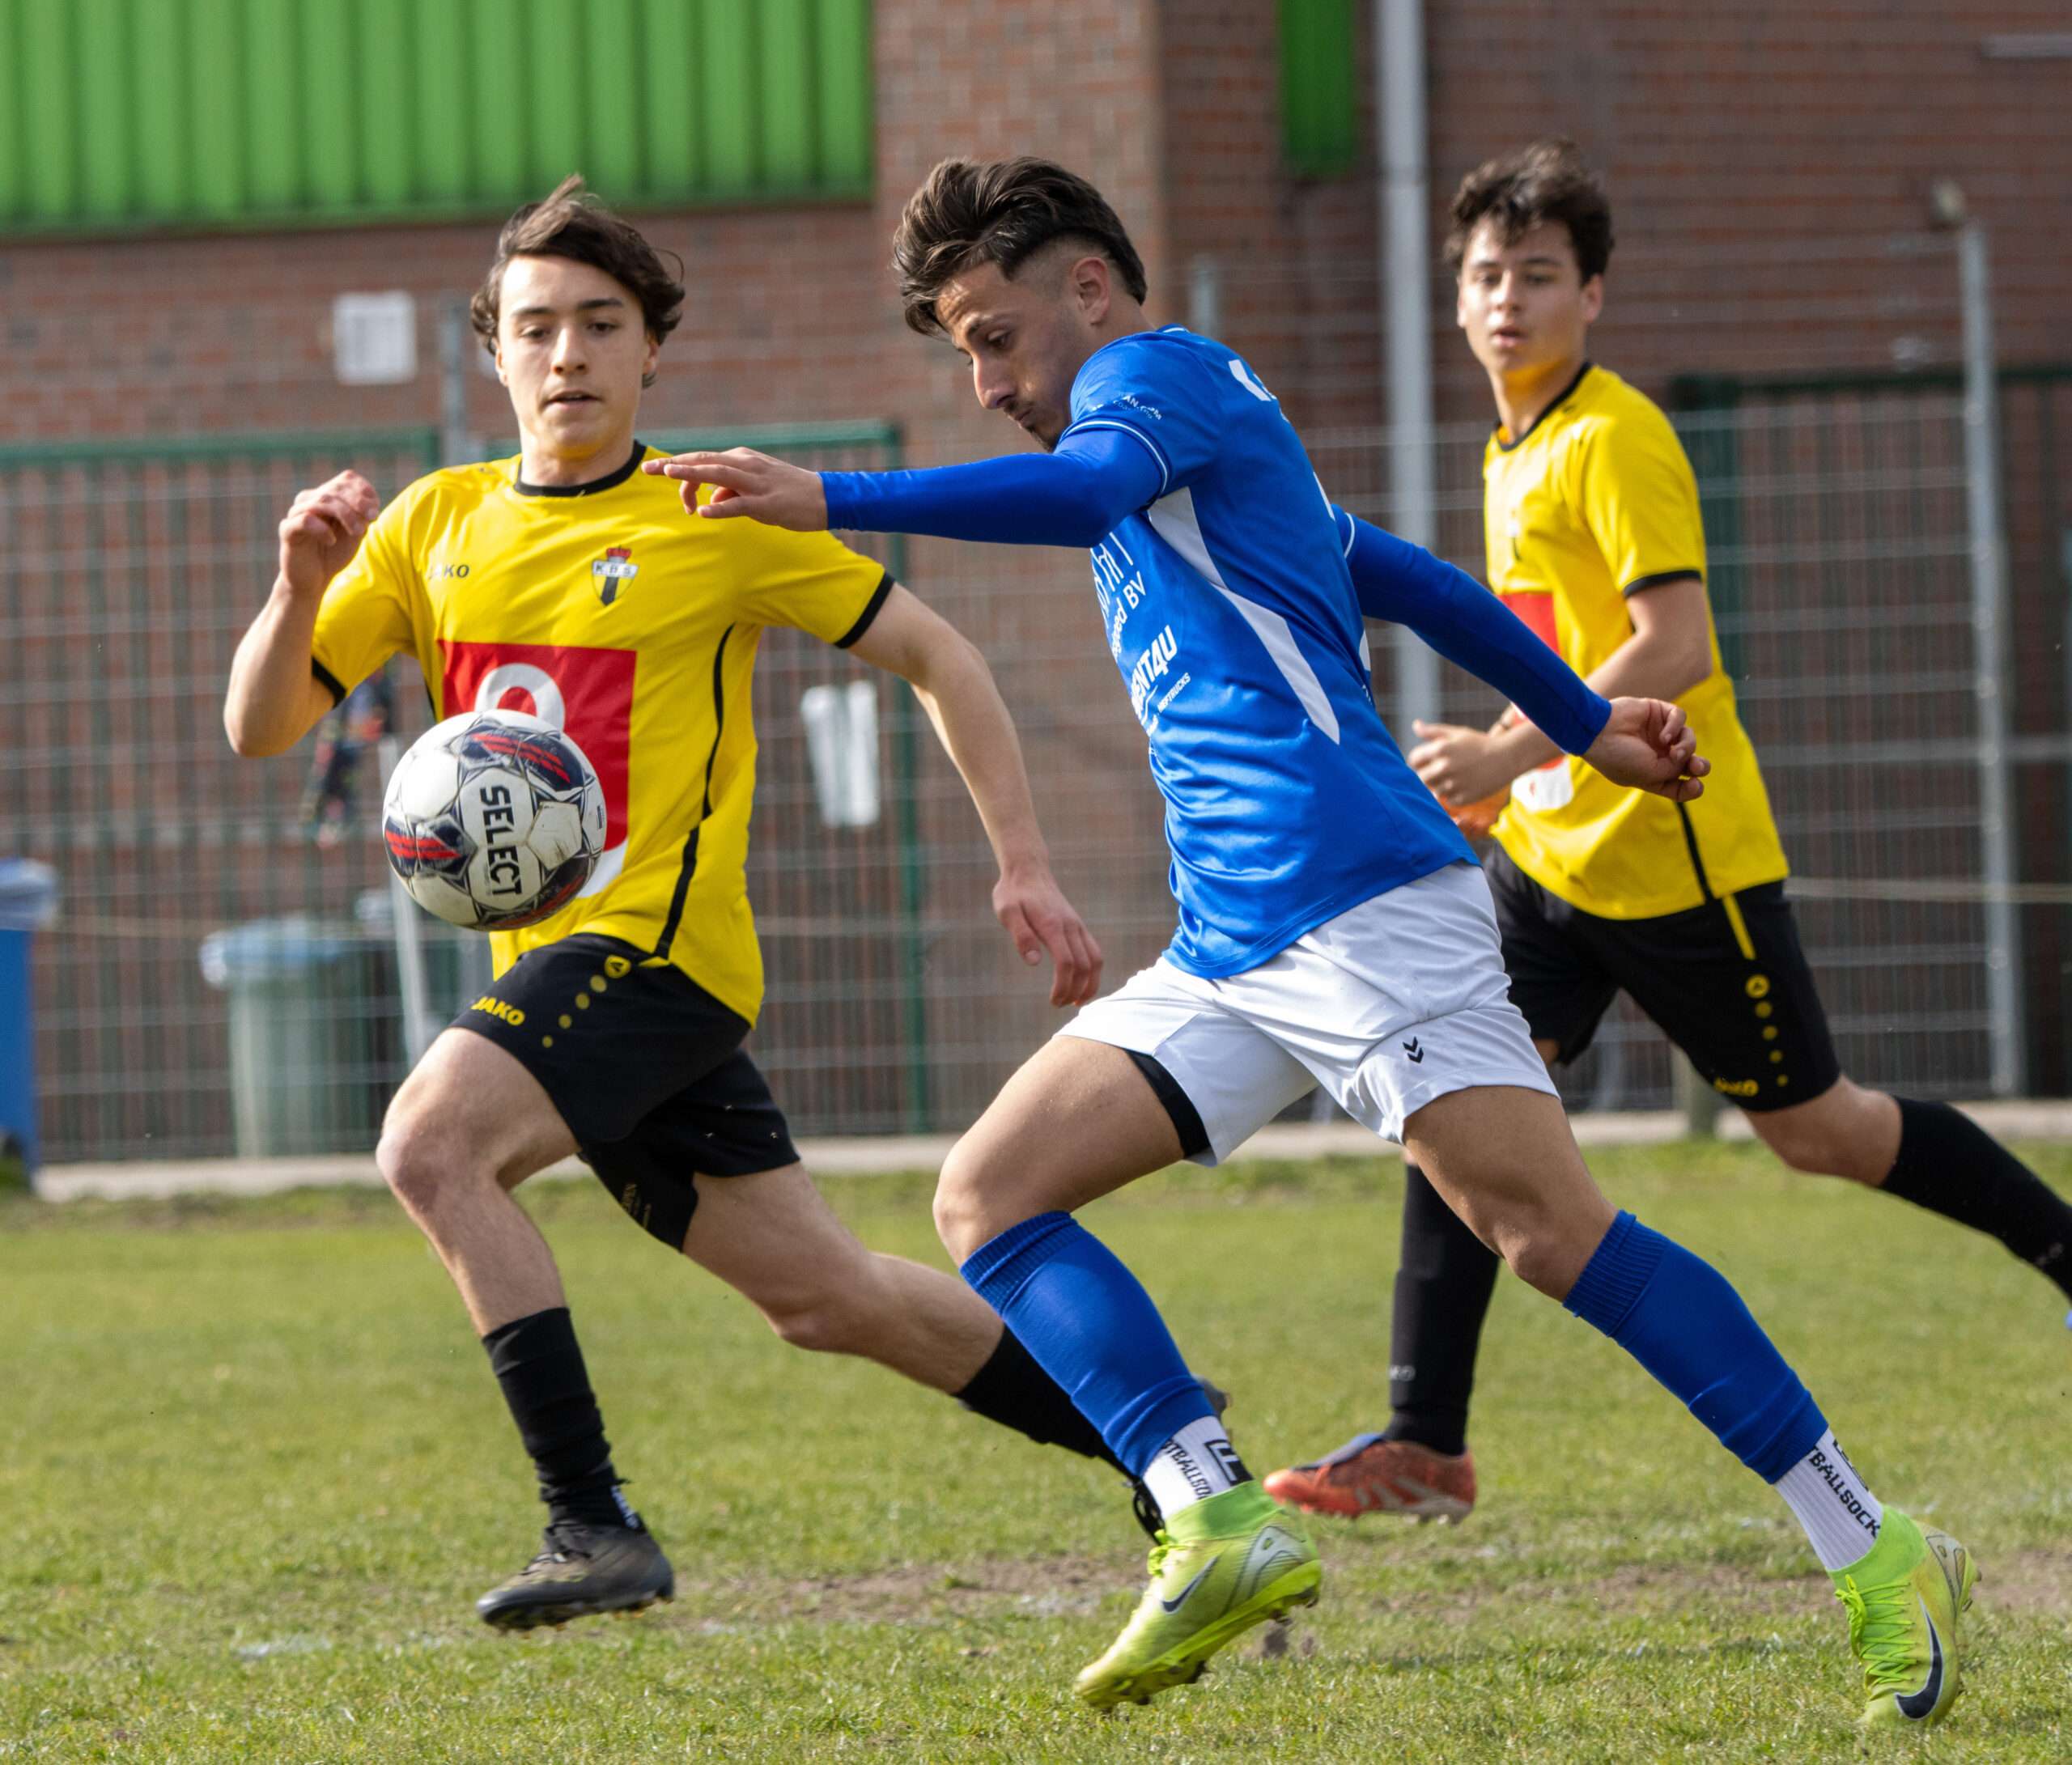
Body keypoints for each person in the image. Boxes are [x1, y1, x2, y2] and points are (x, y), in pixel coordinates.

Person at [645, 156, 1975, 1728]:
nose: (987, 383)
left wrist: (834, 494)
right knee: (989, 1194)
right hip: (1235, 936)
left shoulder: (1147, 382)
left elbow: (1083, 497)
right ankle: (1210, 1513)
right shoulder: (1185, 432)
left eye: (993, 337)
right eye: (964, 354)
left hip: (1360, 903)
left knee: (1551, 1234)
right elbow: (1399, 572)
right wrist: (1583, 723)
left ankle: (1873, 1540)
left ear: (1087, 289)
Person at [223, 175, 1162, 1633]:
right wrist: (298, 585)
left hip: (657, 961)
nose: (569, 354)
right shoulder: (430, 526)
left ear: (652, 349)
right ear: (495, 352)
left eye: (603, 323)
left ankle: (590, 1522)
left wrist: (1024, 860)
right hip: (561, 981)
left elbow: (943, 658)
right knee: (830, 1298)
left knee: (430, 1144)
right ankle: (1178, 1449)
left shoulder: (709, 514)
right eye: (538, 327)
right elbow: (260, 726)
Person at [1263, 141, 2072, 1543]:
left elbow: (1676, 643)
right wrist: (1512, 781)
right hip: (1550, 865)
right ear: (1455, 297)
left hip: (1677, 861)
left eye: (1538, 275)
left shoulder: (1613, 434)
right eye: (1486, 275)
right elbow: (1567, 645)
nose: (1506, 299)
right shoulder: (1514, 446)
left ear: (1594, 296)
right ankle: (1424, 1439)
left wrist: (1507, 750)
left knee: (1818, 1129)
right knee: (1457, 1114)